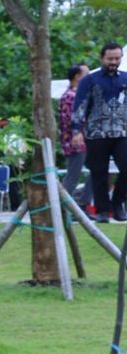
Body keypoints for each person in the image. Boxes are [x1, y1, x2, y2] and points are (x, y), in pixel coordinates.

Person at [72, 44, 127, 222]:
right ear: (102, 58)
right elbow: (80, 105)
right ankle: (103, 211)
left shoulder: (126, 78)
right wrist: (76, 130)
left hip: (122, 132)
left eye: (117, 58)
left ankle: (118, 204)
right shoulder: (89, 80)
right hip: (96, 134)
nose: (114, 62)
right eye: (110, 58)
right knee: (98, 172)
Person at [58, 63, 90, 207]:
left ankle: (81, 203)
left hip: (86, 140)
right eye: (86, 74)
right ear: (78, 77)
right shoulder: (70, 96)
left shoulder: (80, 94)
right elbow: (69, 120)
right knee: (73, 176)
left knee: (97, 171)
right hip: (75, 142)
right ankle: (63, 207)